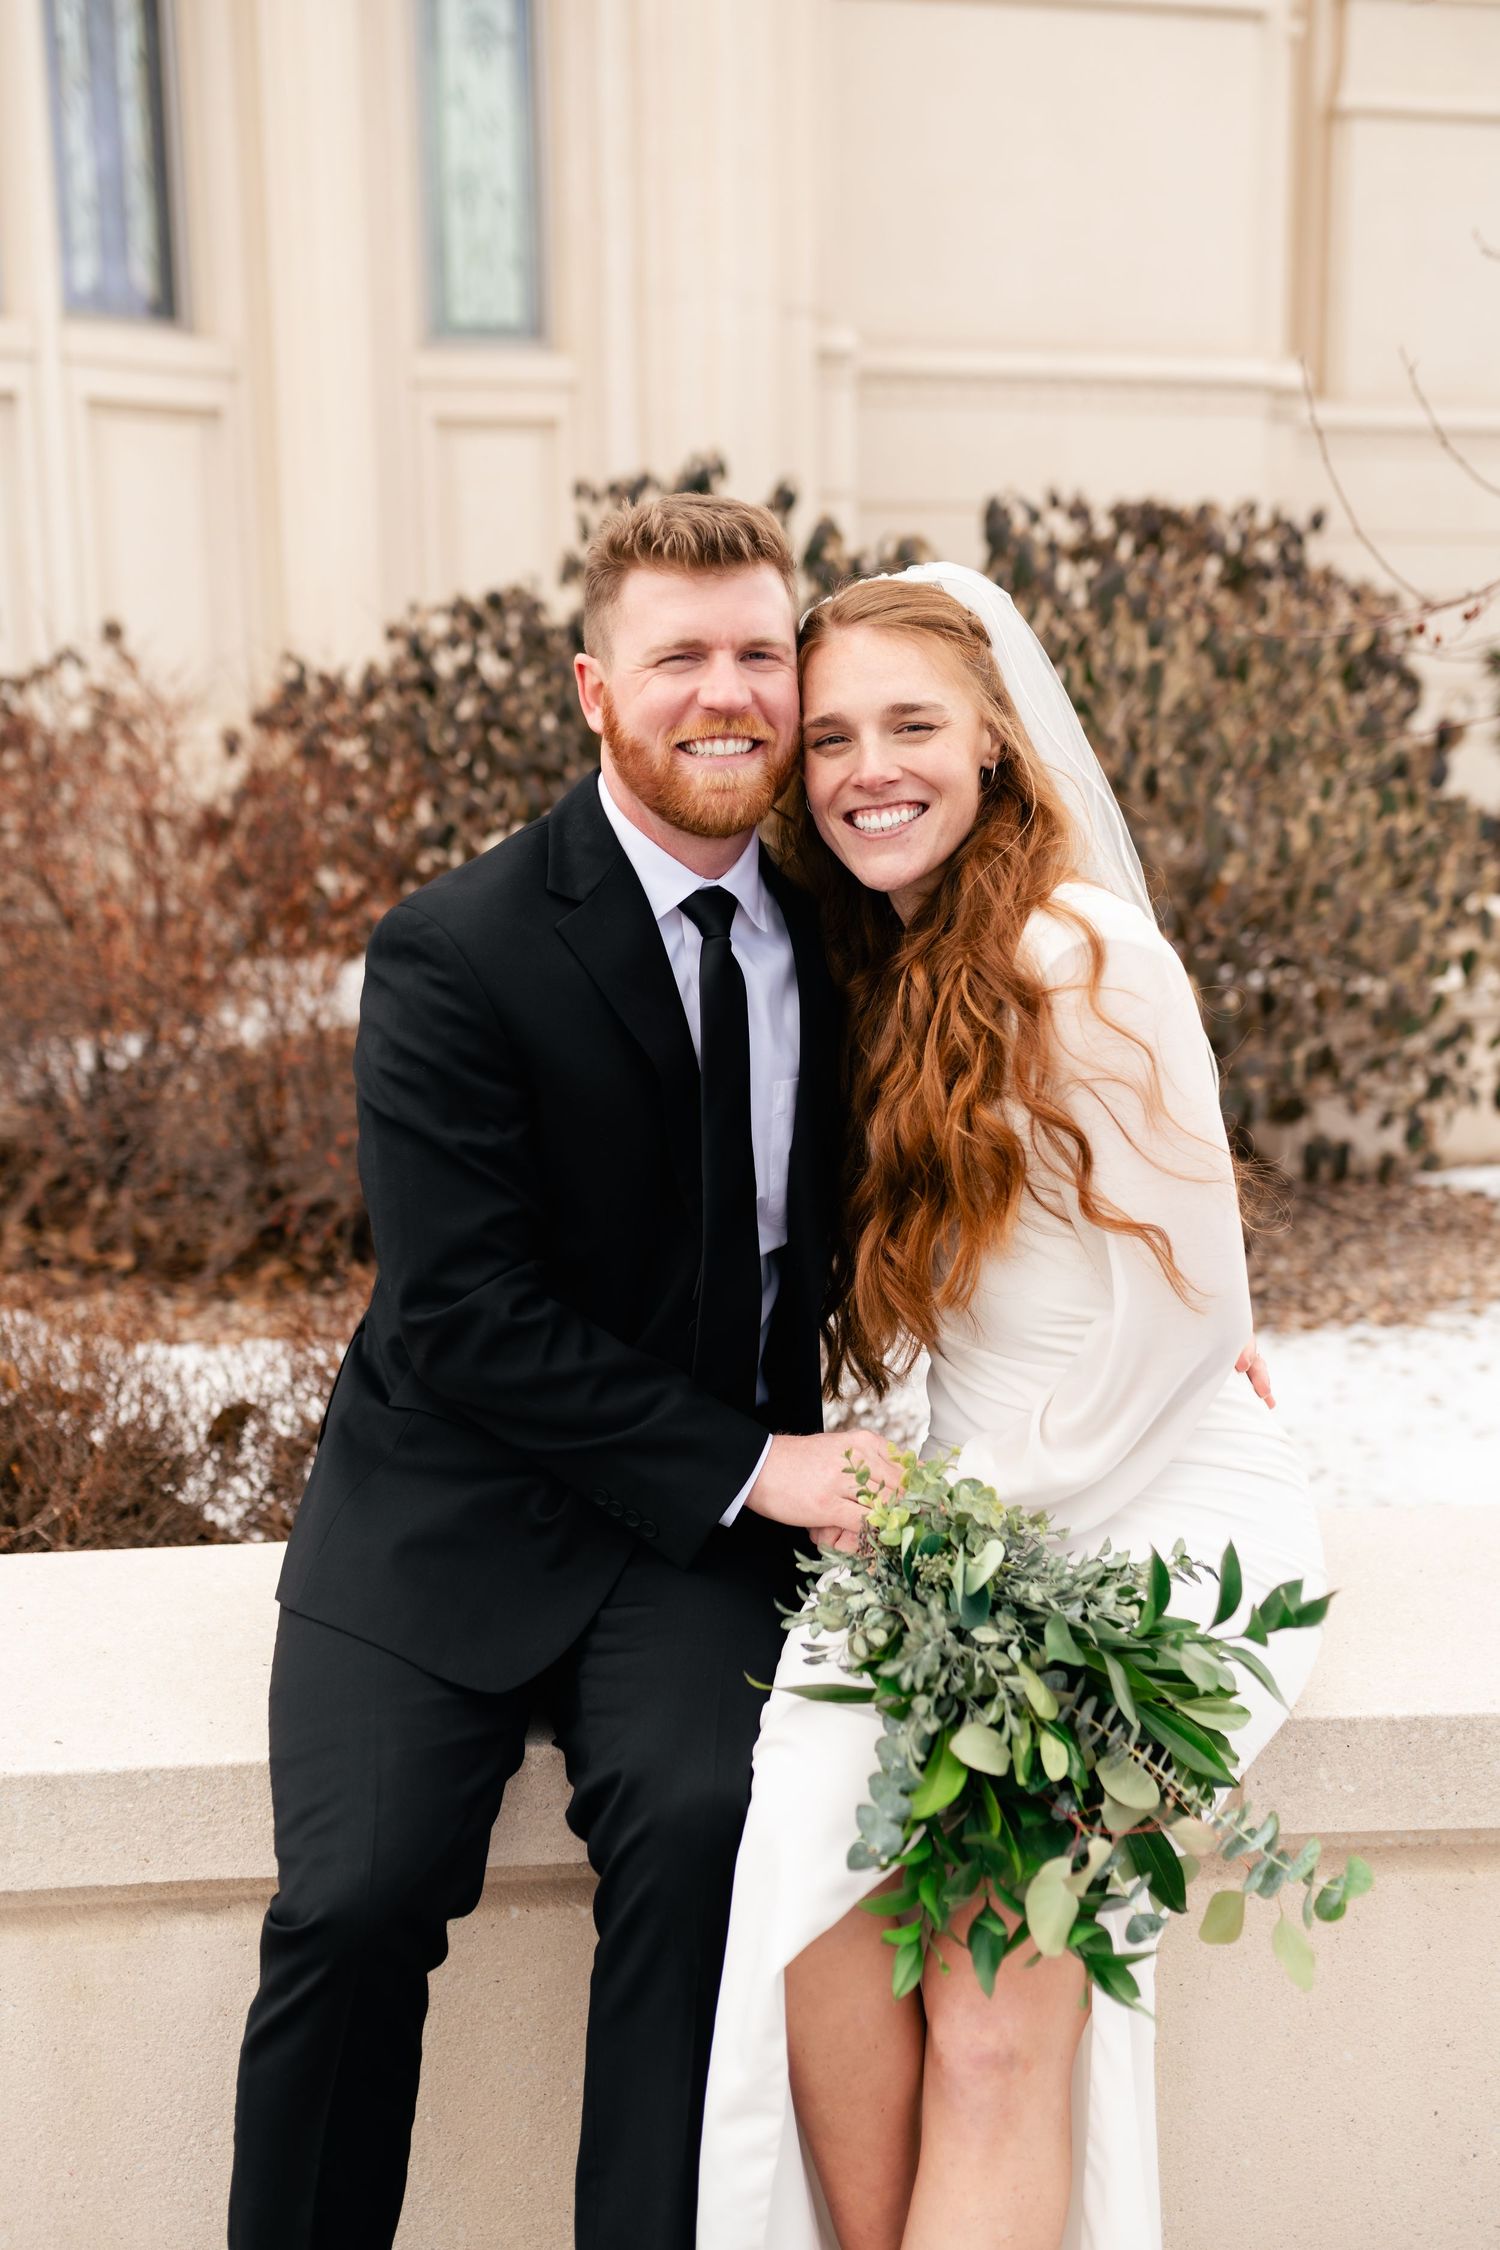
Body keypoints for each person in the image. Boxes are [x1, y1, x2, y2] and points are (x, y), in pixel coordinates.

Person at [226, 493, 890, 2250]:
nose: (727, 691)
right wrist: (768, 1465)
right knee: (355, 1901)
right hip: (450, 1502)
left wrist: (1180, 1331)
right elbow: (462, 1316)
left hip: (688, 1551)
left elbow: (972, 1169)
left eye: (763, 651)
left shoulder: (849, 933)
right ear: (598, 688)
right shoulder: (459, 948)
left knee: (706, 1832)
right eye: (681, 656)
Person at [697, 564, 1327, 2250]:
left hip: (1125, 1516)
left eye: (911, 723)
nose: (865, 766)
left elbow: (1190, 1301)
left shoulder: (1085, 951)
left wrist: (972, 1537)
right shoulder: (871, 960)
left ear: (994, 741)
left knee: (989, 2011)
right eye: (829, 736)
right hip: (942, 1510)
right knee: (817, 1949)